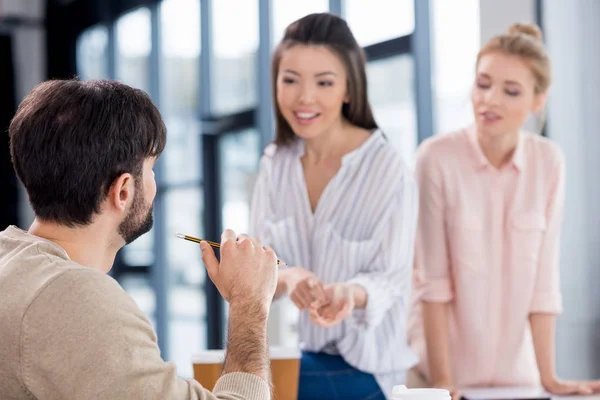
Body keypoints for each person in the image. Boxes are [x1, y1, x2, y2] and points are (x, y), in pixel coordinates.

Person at [0, 79, 277, 399]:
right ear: (123, 191)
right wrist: (249, 304)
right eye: (152, 169)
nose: (155, 185)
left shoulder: (12, 263)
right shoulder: (74, 298)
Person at [407, 23, 600, 397]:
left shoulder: (549, 162)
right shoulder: (436, 158)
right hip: (439, 376)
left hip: (518, 378)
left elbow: (543, 282)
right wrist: (444, 383)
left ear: (537, 100)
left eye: (510, 91)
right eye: (483, 84)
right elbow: (431, 281)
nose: (490, 99)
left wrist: (550, 379)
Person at [250, 13, 418, 400]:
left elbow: (391, 278)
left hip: (372, 368)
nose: (304, 98)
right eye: (290, 80)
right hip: (310, 354)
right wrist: (289, 278)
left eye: (324, 82)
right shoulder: (276, 162)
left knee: (249, 384)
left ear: (347, 89)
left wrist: (350, 293)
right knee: (240, 376)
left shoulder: (386, 167)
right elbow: (261, 264)